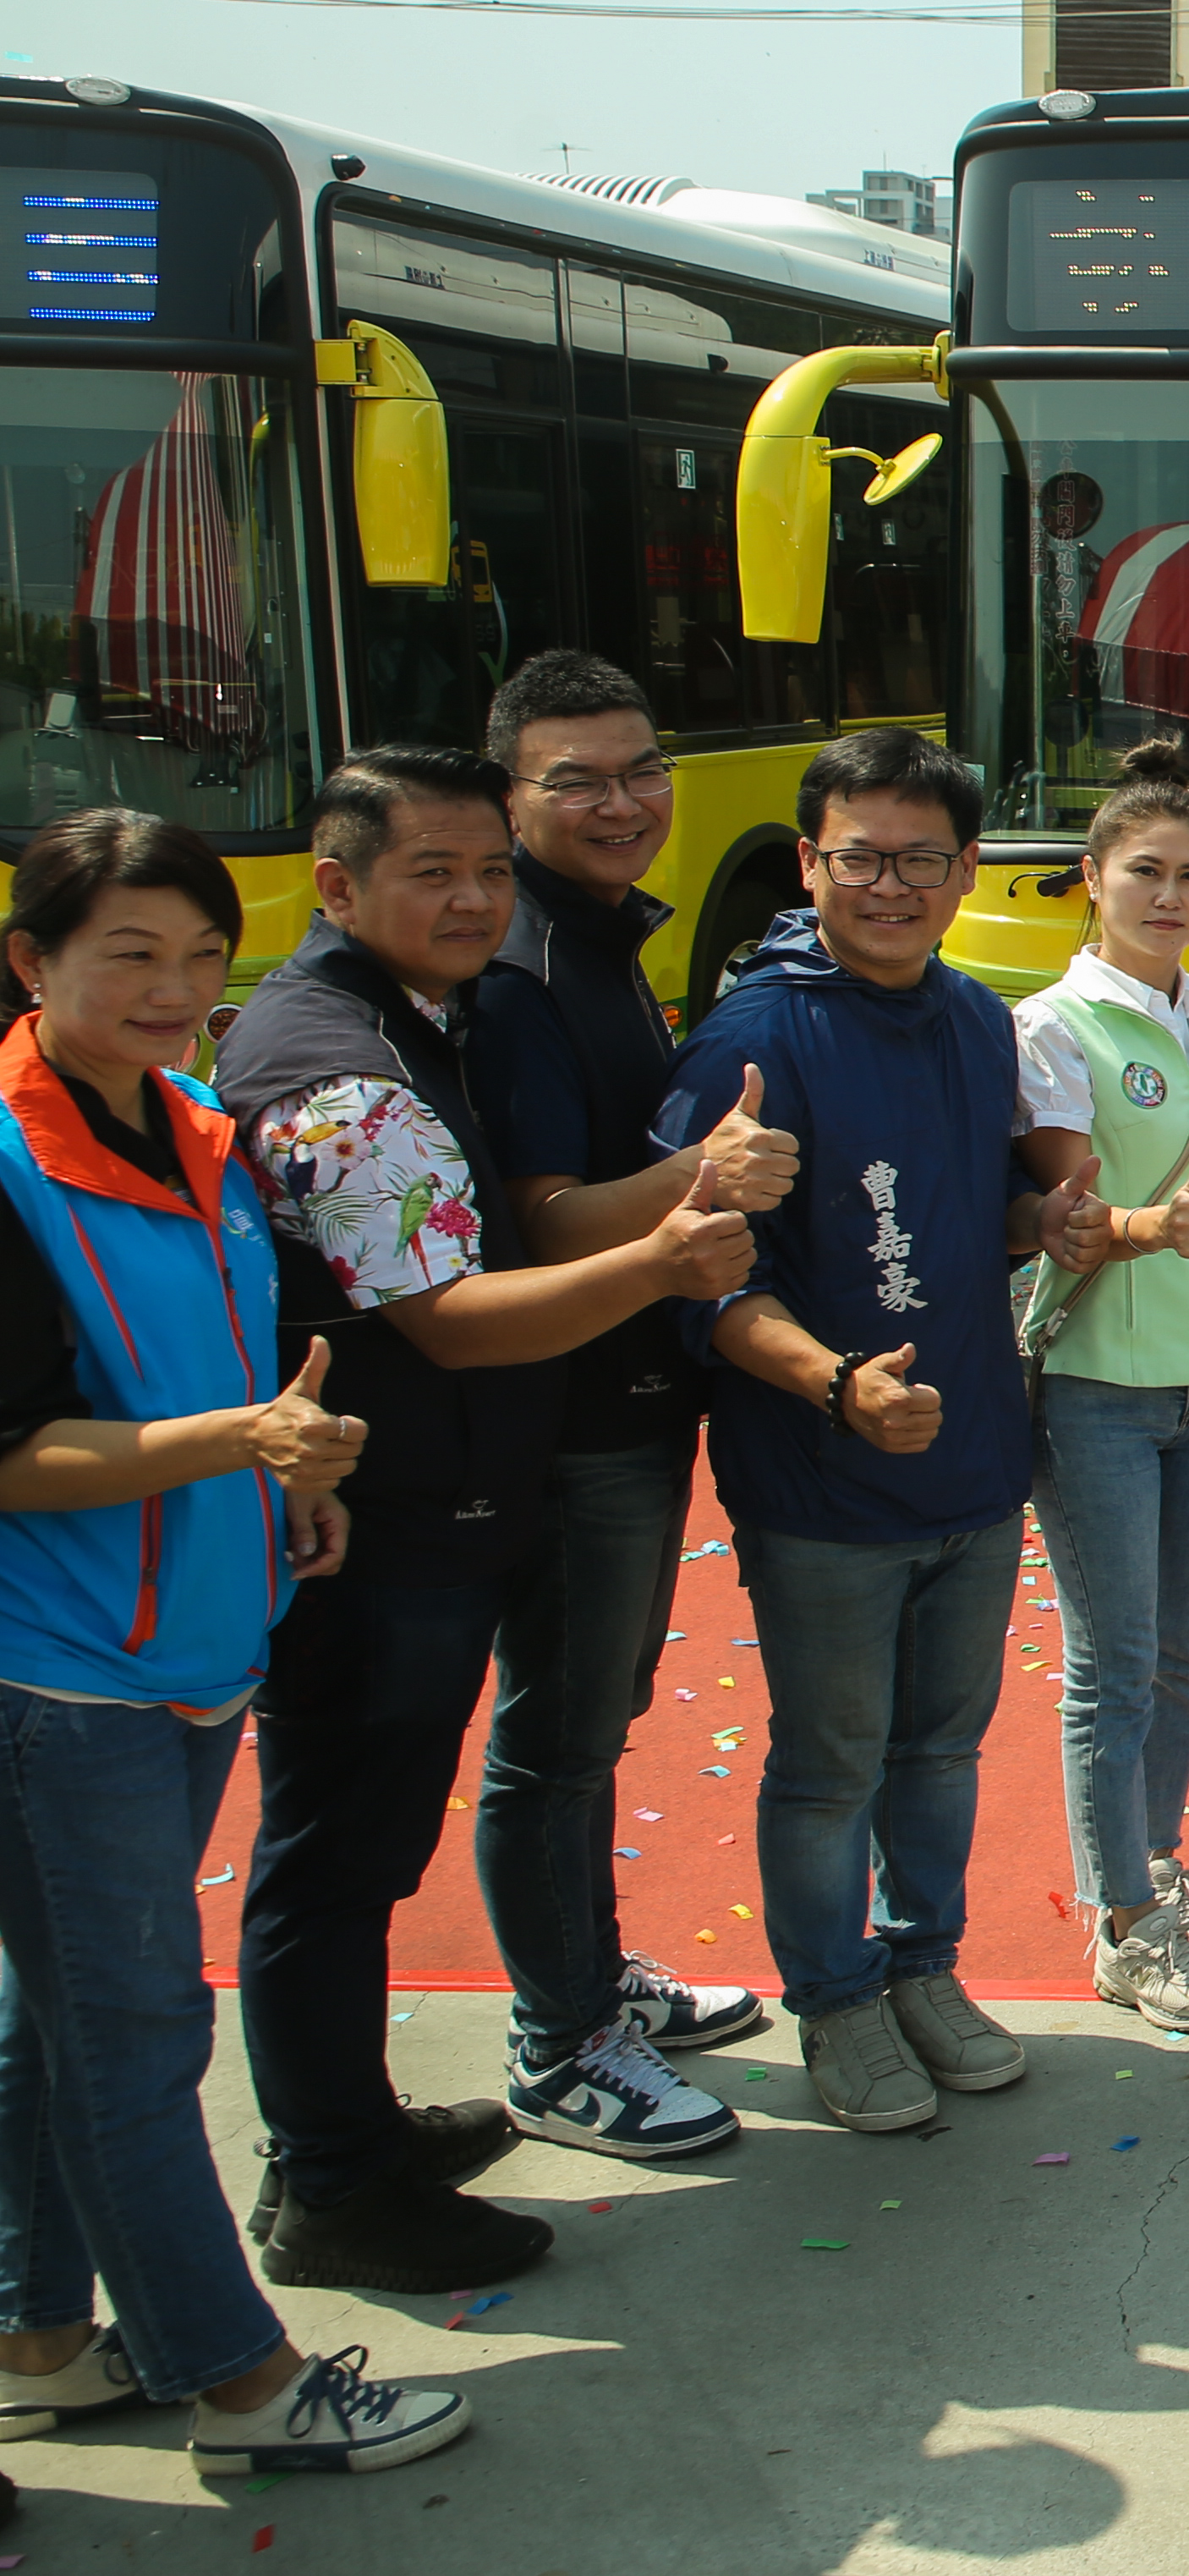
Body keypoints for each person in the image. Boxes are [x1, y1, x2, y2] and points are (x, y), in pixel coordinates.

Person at [227, 749, 770, 2280]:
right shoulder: (341, 1067)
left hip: (438, 1495)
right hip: (386, 1517)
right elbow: (452, 1319)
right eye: (433, 874)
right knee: (337, 1857)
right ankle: (333, 2183)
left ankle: (345, 2131)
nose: (470, 901)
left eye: (484, 874)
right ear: (338, 887)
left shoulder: (430, 1015)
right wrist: (666, 1263)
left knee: (364, 1845)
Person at [0, 812, 473, 2477]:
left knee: (55, 2019)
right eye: (128, 955)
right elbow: (18, 1454)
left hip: (200, 1636)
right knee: (135, 2037)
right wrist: (237, 1450)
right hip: (59, 1673)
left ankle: (41, 2334)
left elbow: (237, 1369)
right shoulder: (3, 1157)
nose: (175, 993)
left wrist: (292, 1492)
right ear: (32, 962)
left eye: (203, 960)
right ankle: (238, 2381)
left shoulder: (199, 1127)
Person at [660, 727, 1065, 2135]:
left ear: (964, 873)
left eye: (918, 860)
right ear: (807, 864)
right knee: (832, 1760)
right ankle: (834, 2001)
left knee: (942, 1750)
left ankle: (925, 1970)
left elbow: (973, 1216)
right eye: (858, 858)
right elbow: (707, 1282)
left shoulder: (971, 1018)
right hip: (823, 1476)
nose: (887, 885)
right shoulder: (753, 1040)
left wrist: (1051, 1223)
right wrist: (839, 1386)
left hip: (970, 1457)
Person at [460, 653, 780, 2149]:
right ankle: (558, 2042)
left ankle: (592, 1982)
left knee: (599, 1716)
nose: (621, 801)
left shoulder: (588, 939)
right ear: (510, 793)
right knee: (561, 1735)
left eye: (640, 768)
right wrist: (705, 1179)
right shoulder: (522, 971)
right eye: (573, 778)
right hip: (574, 1417)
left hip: (631, 1398)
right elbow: (541, 1217)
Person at [1013, 745, 1189, 2035]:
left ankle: (1156, 1878)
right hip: (1104, 1386)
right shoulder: (1054, 1029)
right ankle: (1121, 1923)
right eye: (1144, 873)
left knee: (1179, 1660)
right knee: (1113, 1665)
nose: (1169, 896)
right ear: (1091, 880)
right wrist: (1136, 1227)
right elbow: (1066, 1207)